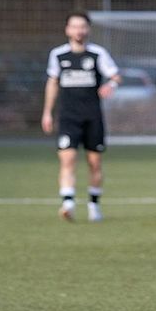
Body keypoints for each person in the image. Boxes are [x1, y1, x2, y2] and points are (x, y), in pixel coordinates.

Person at [42, 11, 121, 223]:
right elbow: (52, 82)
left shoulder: (97, 54)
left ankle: (94, 206)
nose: (79, 30)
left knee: (94, 163)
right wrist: (47, 112)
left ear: (88, 30)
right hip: (68, 117)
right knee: (67, 159)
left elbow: (116, 75)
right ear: (67, 30)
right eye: (74, 26)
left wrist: (110, 85)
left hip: (93, 116)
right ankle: (67, 204)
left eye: (82, 26)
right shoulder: (58, 55)